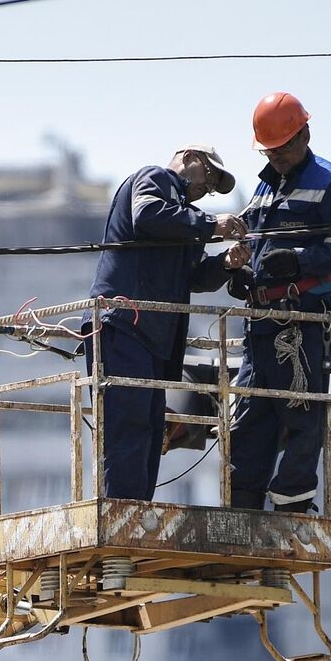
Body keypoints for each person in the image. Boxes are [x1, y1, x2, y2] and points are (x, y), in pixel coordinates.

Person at [225, 92, 331, 512]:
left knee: (301, 414)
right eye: (270, 150)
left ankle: (291, 509)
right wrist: (240, 272)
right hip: (261, 322)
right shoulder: (266, 184)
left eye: (284, 147)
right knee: (251, 416)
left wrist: (300, 261)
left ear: (304, 134)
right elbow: (253, 242)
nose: (278, 157)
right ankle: (241, 513)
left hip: (302, 321)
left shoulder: (330, 182)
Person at [85, 146, 247, 501]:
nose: (209, 190)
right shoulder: (156, 179)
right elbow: (146, 215)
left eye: (216, 186)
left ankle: (135, 508)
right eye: (210, 176)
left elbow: (194, 276)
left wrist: (226, 264)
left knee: (151, 427)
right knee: (129, 423)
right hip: (125, 323)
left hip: (153, 338)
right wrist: (211, 224)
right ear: (190, 158)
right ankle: (122, 511)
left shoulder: (184, 219)